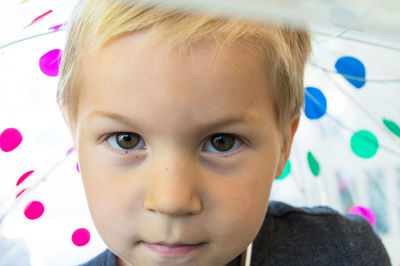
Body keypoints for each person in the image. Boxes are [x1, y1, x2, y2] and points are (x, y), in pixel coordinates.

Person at [56, 0, 391, 265]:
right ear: (76, 136)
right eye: (126, 140)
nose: (172, 200)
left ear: (285, 142)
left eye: (221, 142)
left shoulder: (345, 252)